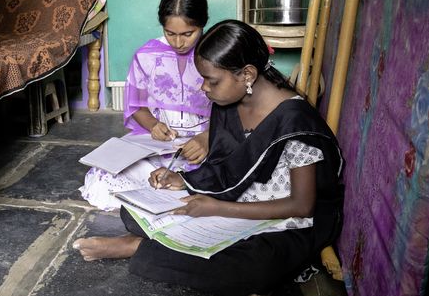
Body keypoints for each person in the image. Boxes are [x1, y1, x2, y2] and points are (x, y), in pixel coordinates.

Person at [73, 20, 345, 296]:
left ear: (247, 74)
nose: (204, 88)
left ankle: (137, 247)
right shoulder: (229, 105)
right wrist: (183, 181)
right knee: (134, 212)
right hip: (233, 203)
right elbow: (227, 169)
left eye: (212, 80)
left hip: (280, 220)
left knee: (254, 268)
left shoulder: (294, 122)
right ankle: (167, 241)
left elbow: (301, 206)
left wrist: (216, 208)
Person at [80, 0, 212, 211]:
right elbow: (138, 107)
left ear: (203, 24)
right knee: (102, 177)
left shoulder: (216, 52)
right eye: (171, 33)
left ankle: (177, 189)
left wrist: (208, 138)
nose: (178, 43)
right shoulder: (147, 55)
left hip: (208, 144)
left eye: (188, 34)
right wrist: (153, 125)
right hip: (161, 146)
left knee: (229, 173)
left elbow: (238, 111)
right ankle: (171, 192)